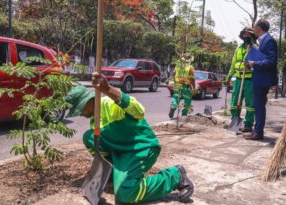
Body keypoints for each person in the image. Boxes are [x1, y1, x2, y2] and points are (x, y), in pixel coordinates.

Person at [65, 73, 194, 204]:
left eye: (80, 109)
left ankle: (175, 176)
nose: (80, 114)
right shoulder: (94, 120)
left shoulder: (111, 104)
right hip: (122, 151)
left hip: (140, 149)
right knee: (90, 137)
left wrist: (108, 89)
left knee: (125, 195)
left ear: (88, 101)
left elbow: (139, 111)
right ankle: (111, 171)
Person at [244, 19, 278, 140]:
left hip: (262, 78)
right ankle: (257, 131)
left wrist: (254, 63)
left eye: (255, 28)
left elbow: (271, 61)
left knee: (259, 106)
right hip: (259, 77)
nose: (254, 30)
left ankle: (258, 133)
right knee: (258, 106)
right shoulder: (262, 41)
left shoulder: (269, 41)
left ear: (258, 28)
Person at [225, 27, 256, 133]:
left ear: (252, 36)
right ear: (242, 36)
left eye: (249, 34)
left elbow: (259, 65)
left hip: (250, 80)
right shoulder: (238, 49)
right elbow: (233, 65)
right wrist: (229, 77)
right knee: (234, 102)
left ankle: (248, 125)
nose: (246, 36)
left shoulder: (256, 49)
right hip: (238, 79)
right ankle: (234, 121)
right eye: (244, 34)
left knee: (250, 104)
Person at [168, 53, 195, 119]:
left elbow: (173, 74)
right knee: (187, 102)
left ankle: (173, 106)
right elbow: (192, 78)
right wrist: (194, 88)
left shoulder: (177, 66)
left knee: (176, 98)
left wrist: (173, 82)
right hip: (186, 86)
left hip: (177, 85)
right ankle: (183, 116)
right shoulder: (190, 67)